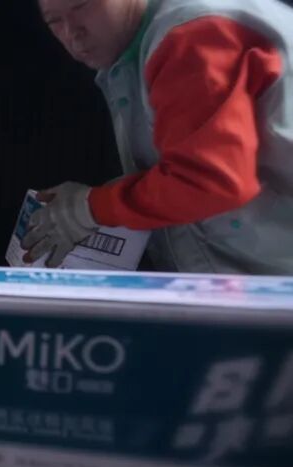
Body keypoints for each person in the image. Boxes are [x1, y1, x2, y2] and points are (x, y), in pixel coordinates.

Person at [23, 0, 293, 274]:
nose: (72, 32)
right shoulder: (140, 44)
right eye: (54, 21)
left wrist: (90, 209)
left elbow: (211, 182)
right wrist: (115, 200)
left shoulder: (191, 35)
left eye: (82, 7)